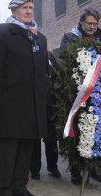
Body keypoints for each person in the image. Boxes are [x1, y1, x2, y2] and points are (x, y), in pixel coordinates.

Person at [0, 0, 49, 196]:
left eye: (31, 7)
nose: (29, 11)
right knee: (6, 150)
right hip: (9, 105)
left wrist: (44, 100)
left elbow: (42, 73)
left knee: (26, 148)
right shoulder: (0, 33)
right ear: (13, 11)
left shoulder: (39, 37)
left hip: (33, 105)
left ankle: (19, 185)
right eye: (24, 7)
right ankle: (1, 188)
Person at [59, 8, 101, 185]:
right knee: (77, 132)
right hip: (76, 92)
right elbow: (65, 60)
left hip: (99, 93)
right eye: (89, 23)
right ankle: (76, 171)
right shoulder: (69, 38)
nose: (92, 27)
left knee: (98, 131)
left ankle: (96, 169)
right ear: (81, 23)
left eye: (95, 24)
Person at [30, 51, 61, 180]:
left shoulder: (51, 58)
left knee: (51, 139)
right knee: (35, 140)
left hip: (51, 107)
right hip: (36, 106)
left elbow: (59, 77)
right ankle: (35, 169)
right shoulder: (31, 57)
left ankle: (53, 167)